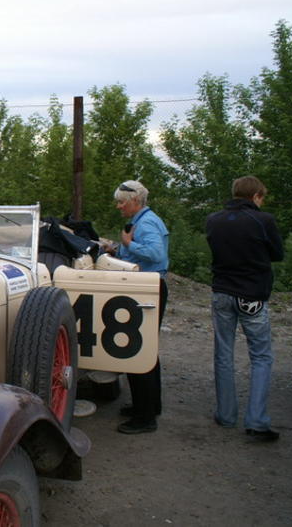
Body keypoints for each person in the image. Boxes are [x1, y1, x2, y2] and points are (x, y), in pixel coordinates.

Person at [206, 176, 284, 442]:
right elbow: (277, 254)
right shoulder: (263, 220)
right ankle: (257, 421)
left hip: (222, 292)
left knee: (223, 353)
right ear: (256, 196)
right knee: (261, 356)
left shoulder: (213, 220)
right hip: (252, 294)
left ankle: (226, 414)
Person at [111, 180, 169, 434]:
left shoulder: (145, 223)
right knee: (146, 349)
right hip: (149, 287)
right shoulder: (146, 220)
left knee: (136, 350)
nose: (118, 206)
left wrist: (128, 244)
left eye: (121, 202)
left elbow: (156, 254)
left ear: (135, 201)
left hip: (146, 288)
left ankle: (145, 418)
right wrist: (117, 249)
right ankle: (149, 406)